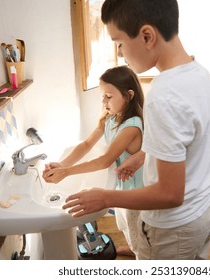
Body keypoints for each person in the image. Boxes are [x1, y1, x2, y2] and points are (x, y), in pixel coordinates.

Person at [62, 0, 210, 260]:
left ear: (147, 36)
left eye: (120, 44)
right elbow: (190, 141)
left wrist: (105, 198)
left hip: (176, 227)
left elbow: (170, 194)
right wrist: (144, 155)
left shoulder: (164, 95)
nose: (121, 54)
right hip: (207, 207)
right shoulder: (198, 73)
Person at [42, 65, 144, 257]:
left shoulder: (131, 126)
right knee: (126, 226)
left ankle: (140, 255)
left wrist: (67, 173)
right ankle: (133, 247)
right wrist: (63, 164)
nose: (104, 101)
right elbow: (87, 144)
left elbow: (105, 160)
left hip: (136, 192)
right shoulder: (110, 118)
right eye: (102, 96)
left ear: (129, 95)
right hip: (123, 186)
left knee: (138, 232)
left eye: (109, 96)